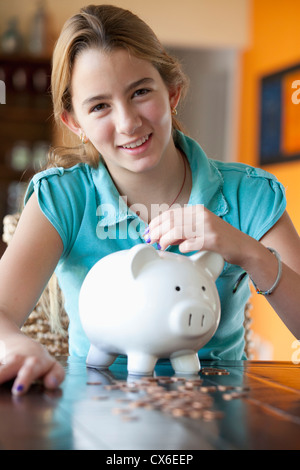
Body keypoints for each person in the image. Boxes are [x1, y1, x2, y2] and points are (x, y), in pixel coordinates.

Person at [0, 4, 299, 396]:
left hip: (217, 415)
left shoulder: (250, 194)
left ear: (172, 92)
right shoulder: (63, 196)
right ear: (75, 122)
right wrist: (17, 345)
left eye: (140, 92)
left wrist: (246, 251)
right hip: (94, 416)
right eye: (100, 106)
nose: (127, 122)